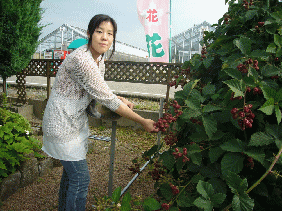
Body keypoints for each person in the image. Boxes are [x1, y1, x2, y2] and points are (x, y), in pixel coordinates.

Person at [42, 14, 158, 211]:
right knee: (80, 177)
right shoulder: (82, 60)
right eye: (99, 31)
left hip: (73, 121)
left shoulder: (98, 59)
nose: (105, 37)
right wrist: (142, 121)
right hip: (61, 123)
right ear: (89, 33)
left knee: (70, 176)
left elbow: (99, 89)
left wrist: (117, 97)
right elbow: (107, 100)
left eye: (110, 33)